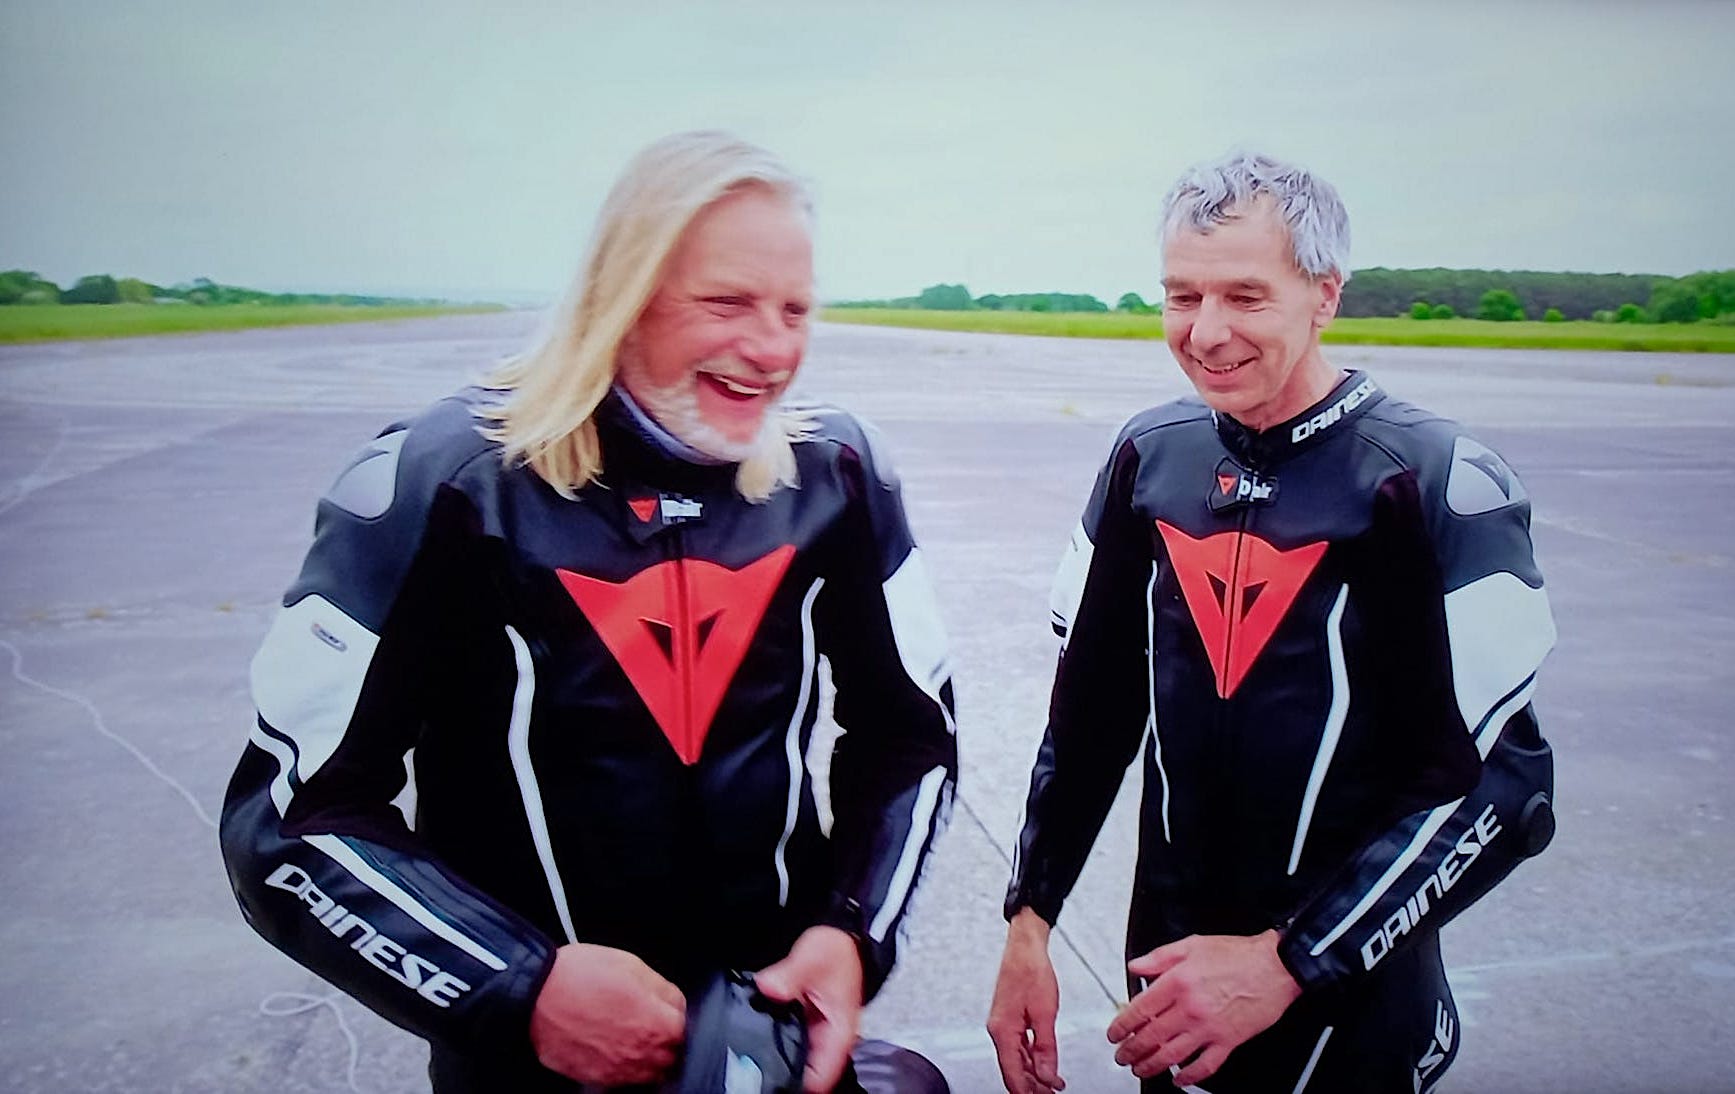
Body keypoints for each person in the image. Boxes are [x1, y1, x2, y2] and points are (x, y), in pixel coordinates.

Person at [220, 131, 957, 1093]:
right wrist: (519, 989)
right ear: (625, 292)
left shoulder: (836, 472)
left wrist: (850, 933)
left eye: (795, 310)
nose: (773, 348)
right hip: (529, 1062)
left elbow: (910, 734)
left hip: (769, 1043)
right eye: (727, 301)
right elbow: (289, 816)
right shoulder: (448, 480)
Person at [986, 151, 1557, 1093]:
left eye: (1244, 297)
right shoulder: (1148, 457)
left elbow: (1501, 789)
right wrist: (1027, 926)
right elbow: (1088, 722)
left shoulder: (1428, 478)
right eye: (1181, 296)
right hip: (1168, 998)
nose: (1204, 333)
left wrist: (1289, 962)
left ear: (1323, 295)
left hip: (1350, 1004)